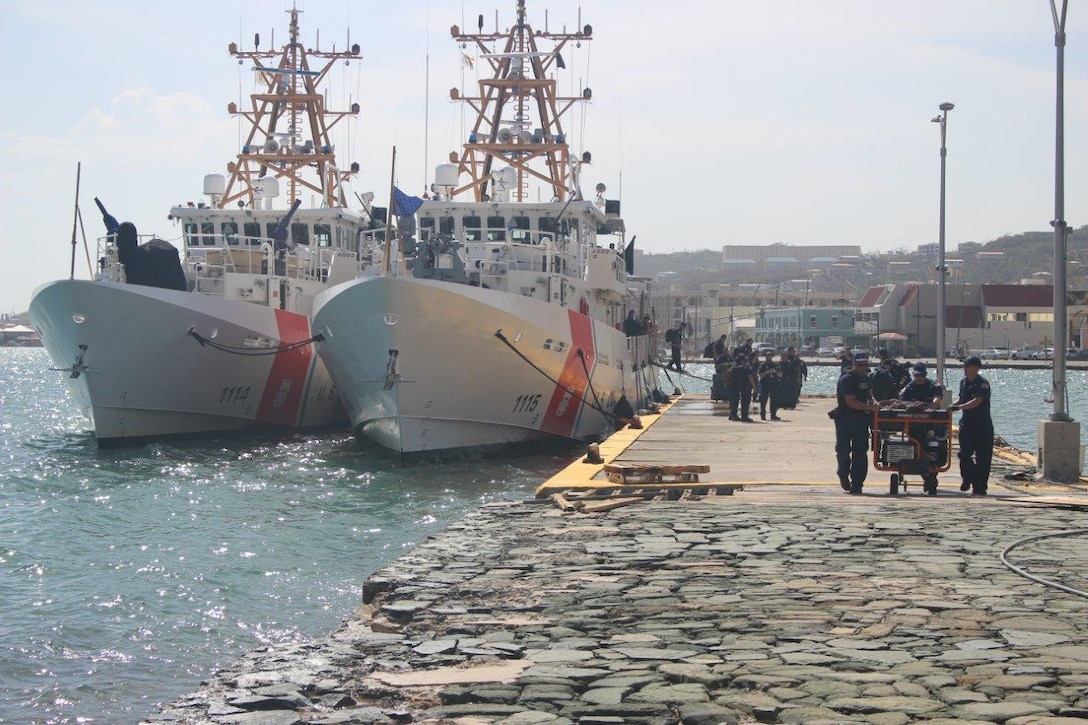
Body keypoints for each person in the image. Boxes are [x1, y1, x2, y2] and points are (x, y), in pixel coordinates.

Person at [833, 352, 879, 494]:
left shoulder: (865, 378)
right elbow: (850, 401)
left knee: (860, 452)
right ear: (854, 364)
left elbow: (868, 393)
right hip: (845, 419)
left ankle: (857, 484)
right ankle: (843, 473)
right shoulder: (847, 379)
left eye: (865, 365)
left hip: (860, 420)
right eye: (860, 365)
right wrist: (870, 407)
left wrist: (874, 403)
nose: (863, 368)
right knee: (843, 451)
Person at [898, 362, 946, 495]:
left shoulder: (934, 386)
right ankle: (926, 476)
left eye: (922, 375)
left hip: (932, 423)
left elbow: (937, 399)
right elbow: (901, 401)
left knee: (937, 449)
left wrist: (929, 407)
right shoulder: (909, 388)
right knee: (915, 449)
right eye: (917, 375)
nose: (919, 378)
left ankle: (931, 477)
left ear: (926, 374)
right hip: (914, 424)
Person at [950, 355, 994, 495]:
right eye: (966, 367)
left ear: (975, 369)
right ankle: (968, 478)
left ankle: (980, 487)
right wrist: (951, 406)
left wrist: (960, 407)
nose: (966, 370)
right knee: (964, 455)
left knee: (983, 458)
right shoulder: (964, 382)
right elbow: (962, 399)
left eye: (969, 368)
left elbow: (977, 401)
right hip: (967, 425)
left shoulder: (982, 383)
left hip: (982, 426)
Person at [727, 353, 756, 422]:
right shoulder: (746, 366)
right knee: (745, 401)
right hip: (744, 386)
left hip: (733, 385)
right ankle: (744, 416)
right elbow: (750, 377)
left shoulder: (733, 365)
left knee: (734, 401)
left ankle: (733, 415)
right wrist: (754, 386)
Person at [757, 349, 783, 420]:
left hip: (773, 384)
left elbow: (780, 374)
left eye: (771, 356)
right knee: (763, 400)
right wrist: (767, 372)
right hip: (765, 384)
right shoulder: (763, 365)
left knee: (774, 400)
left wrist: (776, 372)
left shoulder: (775, 365)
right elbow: (760, 375)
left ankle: (773, 414)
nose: (769, 357)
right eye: (768, 356)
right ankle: (763, 415)